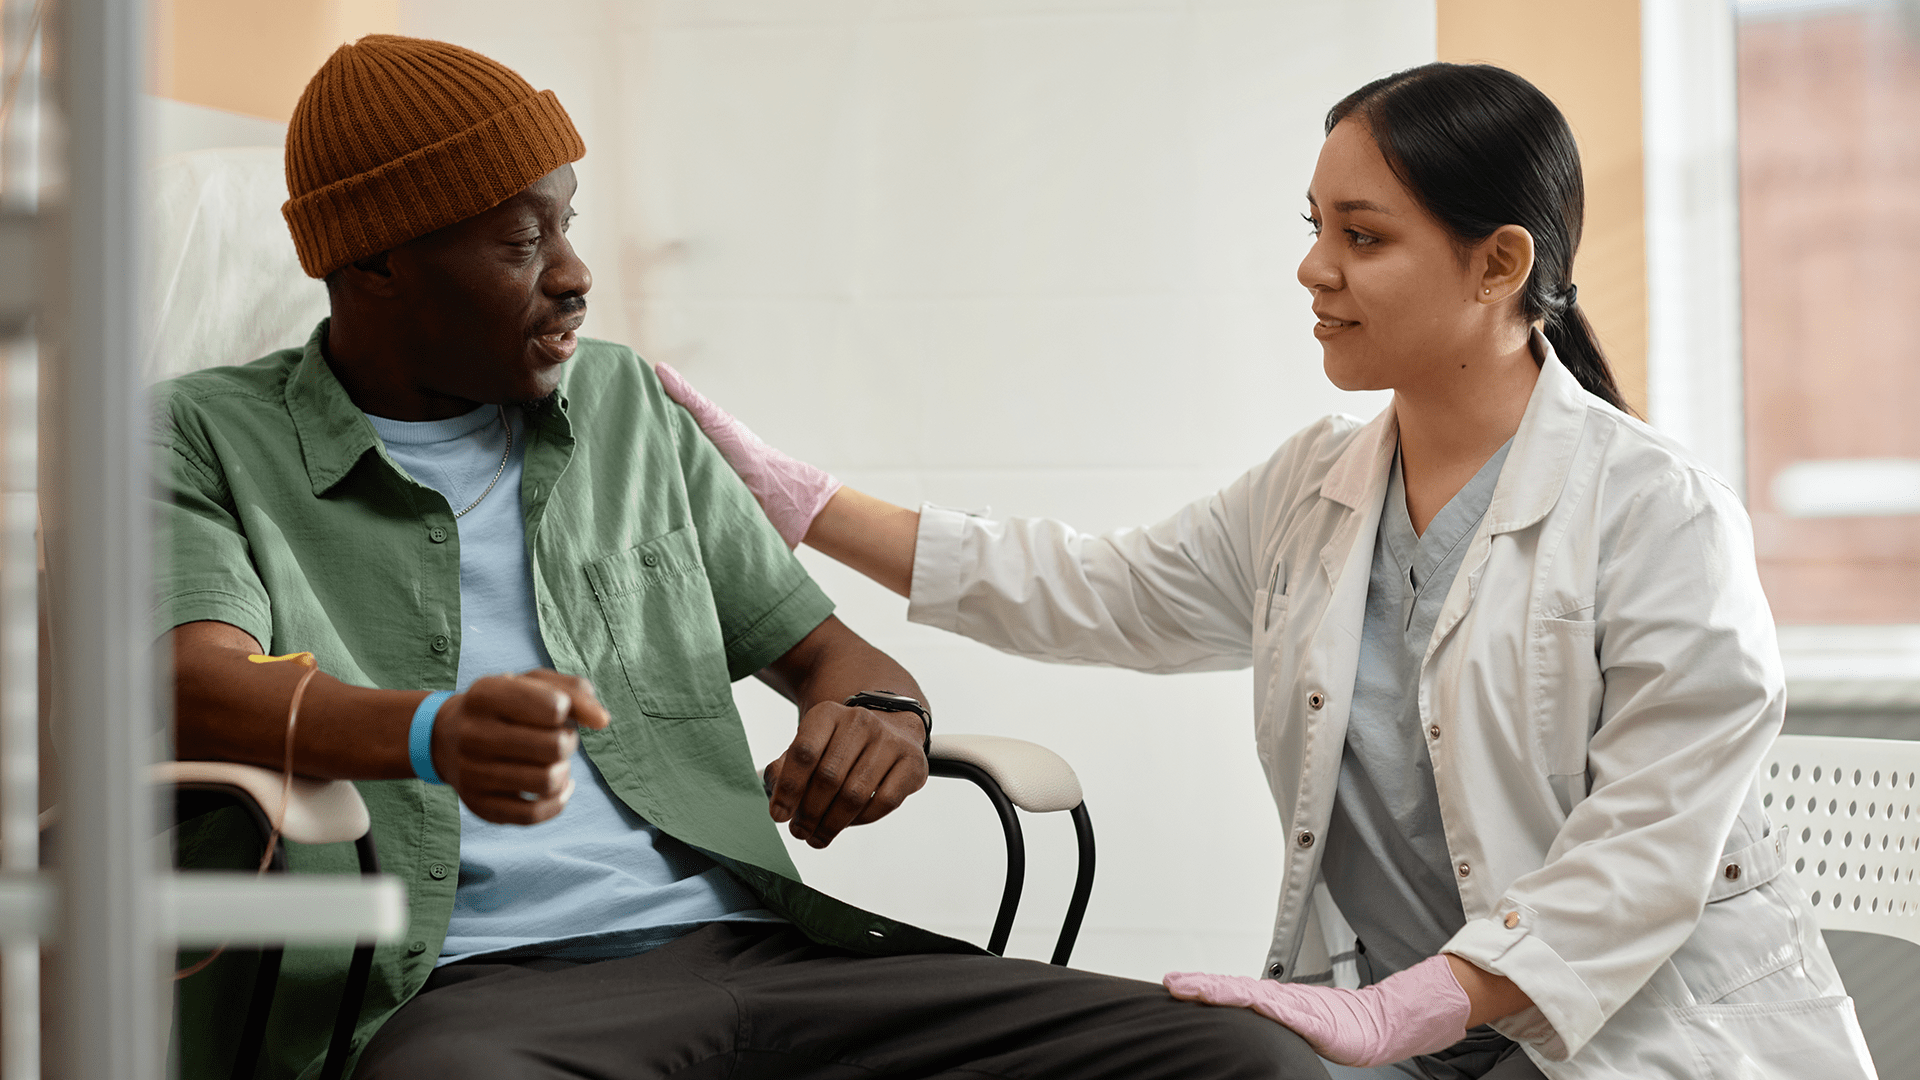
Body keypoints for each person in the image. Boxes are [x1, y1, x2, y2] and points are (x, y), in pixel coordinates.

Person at [660, 63, 1879, 1080]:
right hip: (1411, 1046)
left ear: (1500, 265)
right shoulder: (1316, 488)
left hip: (1637, 1042)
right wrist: (807, 505)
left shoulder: (1658, 515)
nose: (1315, 269)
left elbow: (1651, 841)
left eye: (1364, 237)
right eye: (1317, 229)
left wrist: (1412, 1008)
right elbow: (1095, 590)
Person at [157, 34, 1332, 1080]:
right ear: (374, 266)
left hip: (763, 946)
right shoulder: (200, 434)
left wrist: (880, 714)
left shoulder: (619, 403)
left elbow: (828, 653)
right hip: (480, 995)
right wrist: (431, 733)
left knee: (1238, 1056)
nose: (573, 270)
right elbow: (186, 687)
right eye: (523, 238)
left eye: (565, 219)